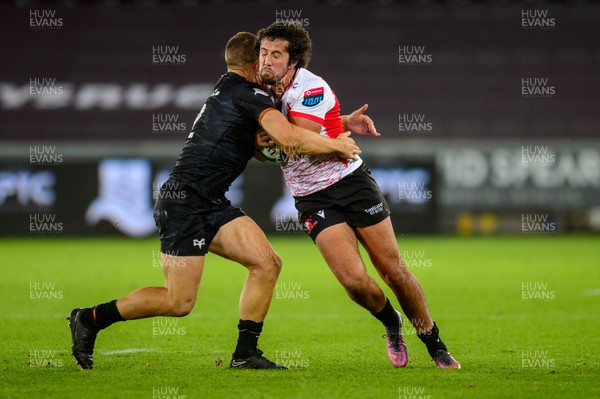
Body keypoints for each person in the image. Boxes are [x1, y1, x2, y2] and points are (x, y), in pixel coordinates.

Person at [67, 31, 360, 371]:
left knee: (267, 263)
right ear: (254, 64)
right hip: (185, 203)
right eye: (263, 57)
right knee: (178, 302)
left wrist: (340, 121)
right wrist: (339, 144)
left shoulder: (231, 91)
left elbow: (268, 148)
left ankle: (245, 353)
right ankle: (89, 319)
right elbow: (291, 137)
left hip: (210, 201)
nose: (267, 64)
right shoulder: (249, 94)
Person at [255, 21, 461, 369]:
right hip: (311, 197)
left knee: (393, 270)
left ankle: (433, 342)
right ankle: (391, 323)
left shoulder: (311, 87)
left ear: (294, 62)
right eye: (263, 53)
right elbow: (270, 151)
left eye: (276, 55)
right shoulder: (257, 90)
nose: (266, 61)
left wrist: (271, 140)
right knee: (353, 282)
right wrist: (340, 126)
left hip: (349, 183)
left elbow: (295, 142)